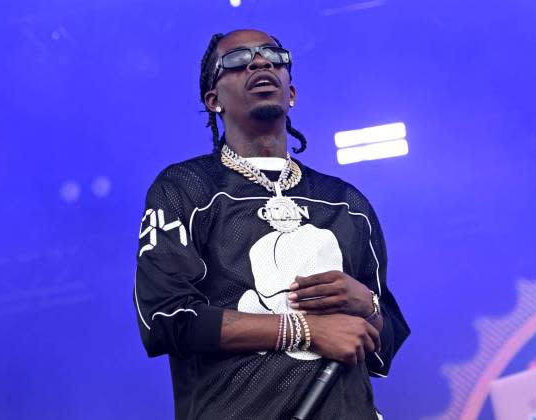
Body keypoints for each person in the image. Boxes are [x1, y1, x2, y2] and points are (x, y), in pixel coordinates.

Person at [133, 29, 410, 420]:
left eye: (273, 56)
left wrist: (368, 305)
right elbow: (166, 318)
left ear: (291, 93)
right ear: (213, 100)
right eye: (236, 59)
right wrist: (305, 331)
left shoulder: (347, 204)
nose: (260, 62)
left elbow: (383, 347)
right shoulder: (185, 188)